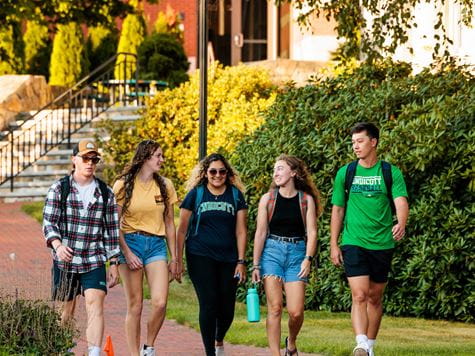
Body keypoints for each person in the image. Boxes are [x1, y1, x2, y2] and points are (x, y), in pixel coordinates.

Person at [330, 122, 409, 356]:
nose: (355, 146)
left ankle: (369, 347)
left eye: (360, 141)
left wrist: (401, 222)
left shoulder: (389, 172)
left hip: (382, 243)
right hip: (353, 240)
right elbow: (337, 209)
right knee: (360, 294)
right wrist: (334, 243)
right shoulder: (346, 173)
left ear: (373, 142)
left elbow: (401, 201)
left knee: (375, 297)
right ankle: (361, 343)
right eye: (353, 142)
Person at [43, 139, 120, 356]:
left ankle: (94, 353)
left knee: (95, 305)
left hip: (94, 258)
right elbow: (49, 222)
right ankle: (62, 350)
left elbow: (111, 231)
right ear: (74, 160)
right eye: (85, 158)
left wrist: (114, 263)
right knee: (65, 311)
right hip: (65, 259)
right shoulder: (60, 188)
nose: (90, 163)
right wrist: (57, 245)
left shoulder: (105, 193)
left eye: (94, 159)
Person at [176, 153, 248, 356]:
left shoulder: (235, 195)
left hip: (229, 257)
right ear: (205, 173)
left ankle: (218, 339)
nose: (218, 175)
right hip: (200, 255)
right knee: (208, 303)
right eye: (213, 171)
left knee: (227, 308)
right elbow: (181, 229)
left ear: (227, 173)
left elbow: (242, 230)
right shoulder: (195, 194)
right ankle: (210, 352)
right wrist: (178, 259)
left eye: (222, 171)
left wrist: (241, 261)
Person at [112, 140, 178, 356]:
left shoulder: (165, 185)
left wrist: (175, 257)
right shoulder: (123, 185)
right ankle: (133, 353)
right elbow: (115, 223)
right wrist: (127, 253)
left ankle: (148, 347)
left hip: (156, 245)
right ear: (145, 157)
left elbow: (169, 223)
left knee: (160, 302)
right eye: (158, 155)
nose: (162, 160)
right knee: (136, 305)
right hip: (130, 243)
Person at [252, 154, 321, 356]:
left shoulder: (306, 200)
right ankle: (275, 353)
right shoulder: (268, 199)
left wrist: (308, 258)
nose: (276, 173)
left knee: (296, 311)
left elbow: (313, 232)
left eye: (280, 168)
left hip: (297, 255)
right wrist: (256, 265)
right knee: (275, 308)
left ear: (294, 173)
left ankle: (291, 341)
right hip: (272, 252)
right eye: (275, 169)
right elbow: (261, 233)